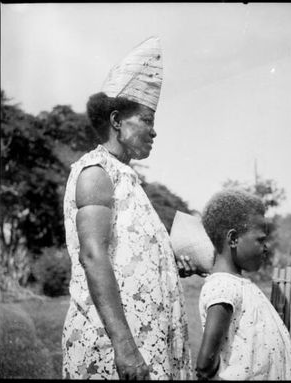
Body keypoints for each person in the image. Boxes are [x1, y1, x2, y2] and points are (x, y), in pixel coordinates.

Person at [61, 36, 195, 380]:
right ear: (118, 120)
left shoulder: (126, 178)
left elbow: (127, 257)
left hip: (146, 339)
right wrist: (124, 347)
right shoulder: (96, 173)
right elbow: (93, 256)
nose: (154, 131)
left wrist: (167, 265)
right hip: (115, 346)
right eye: (147, 120)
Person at [196, 189, 291, 380]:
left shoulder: (239, 284)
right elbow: (205, 365)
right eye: (260, 239)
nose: (266, 246)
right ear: (233, 239)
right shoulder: (223, 287)